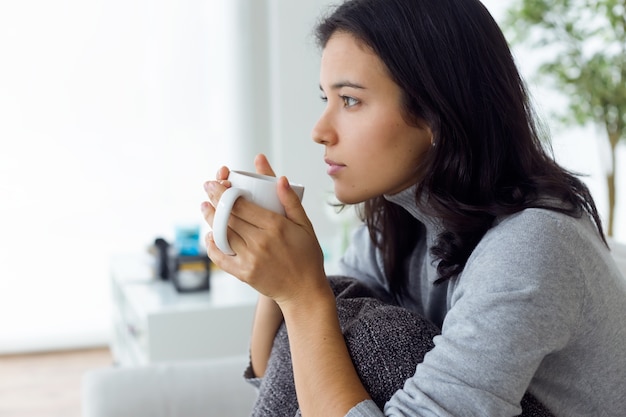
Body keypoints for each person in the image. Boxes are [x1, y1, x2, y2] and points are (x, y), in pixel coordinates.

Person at [200, 0, 626, 415]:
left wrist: (302, 295)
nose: (320, 131)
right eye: (324, 99)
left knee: (367, 332)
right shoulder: (396, 220)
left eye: (349, 100)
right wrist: (276, 280)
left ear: (434, 113)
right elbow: (286, 381)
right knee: (334, 312)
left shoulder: (533, 245)